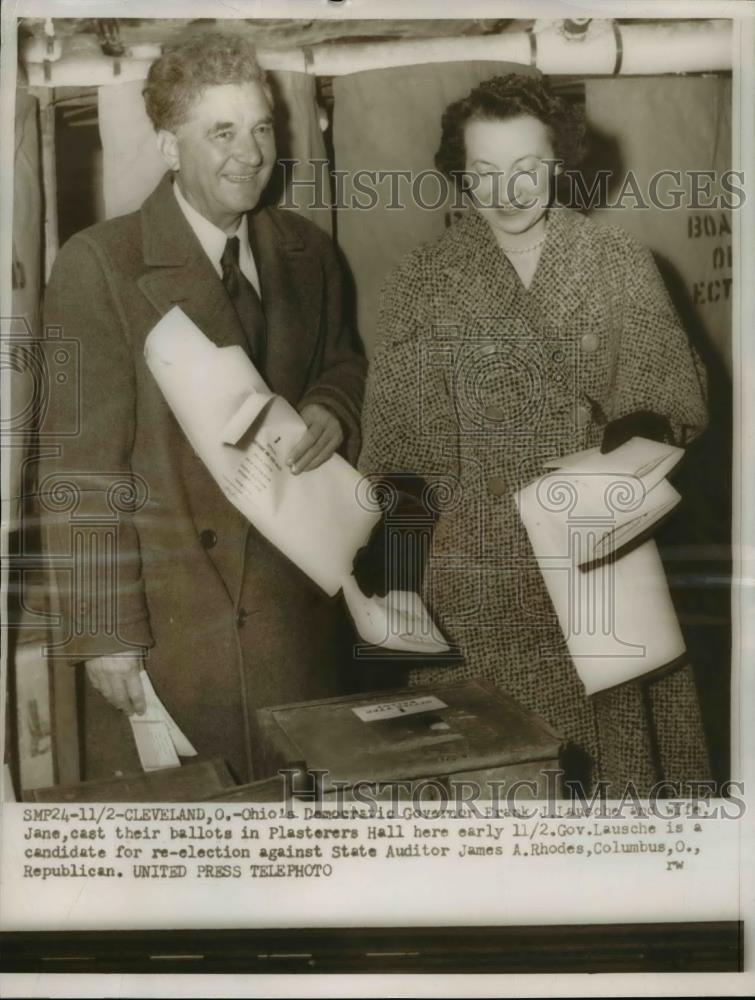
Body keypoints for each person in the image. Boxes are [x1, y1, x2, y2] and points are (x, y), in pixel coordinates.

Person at [357, 74, 712, 796]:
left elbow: (670, 400)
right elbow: (400, 454)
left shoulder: (617, 264)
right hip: (474, 586)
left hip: (600, 563)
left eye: (526, 168)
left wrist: (626, 437)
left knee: (618, 797)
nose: (507, 190)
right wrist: (395, 586)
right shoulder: (422, 281)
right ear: (460, 174)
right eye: (484, 172)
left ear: (561, 161)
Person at [38, 33, 366, 784]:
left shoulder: (308, 254)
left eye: (260, 128)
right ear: (166, 145)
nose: (249, 153)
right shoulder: (100, 266)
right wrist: (106, 635)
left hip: (295, 621)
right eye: (220, 132)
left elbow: (344, 362)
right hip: (173, 637)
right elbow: (77, 467)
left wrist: (331, 408)